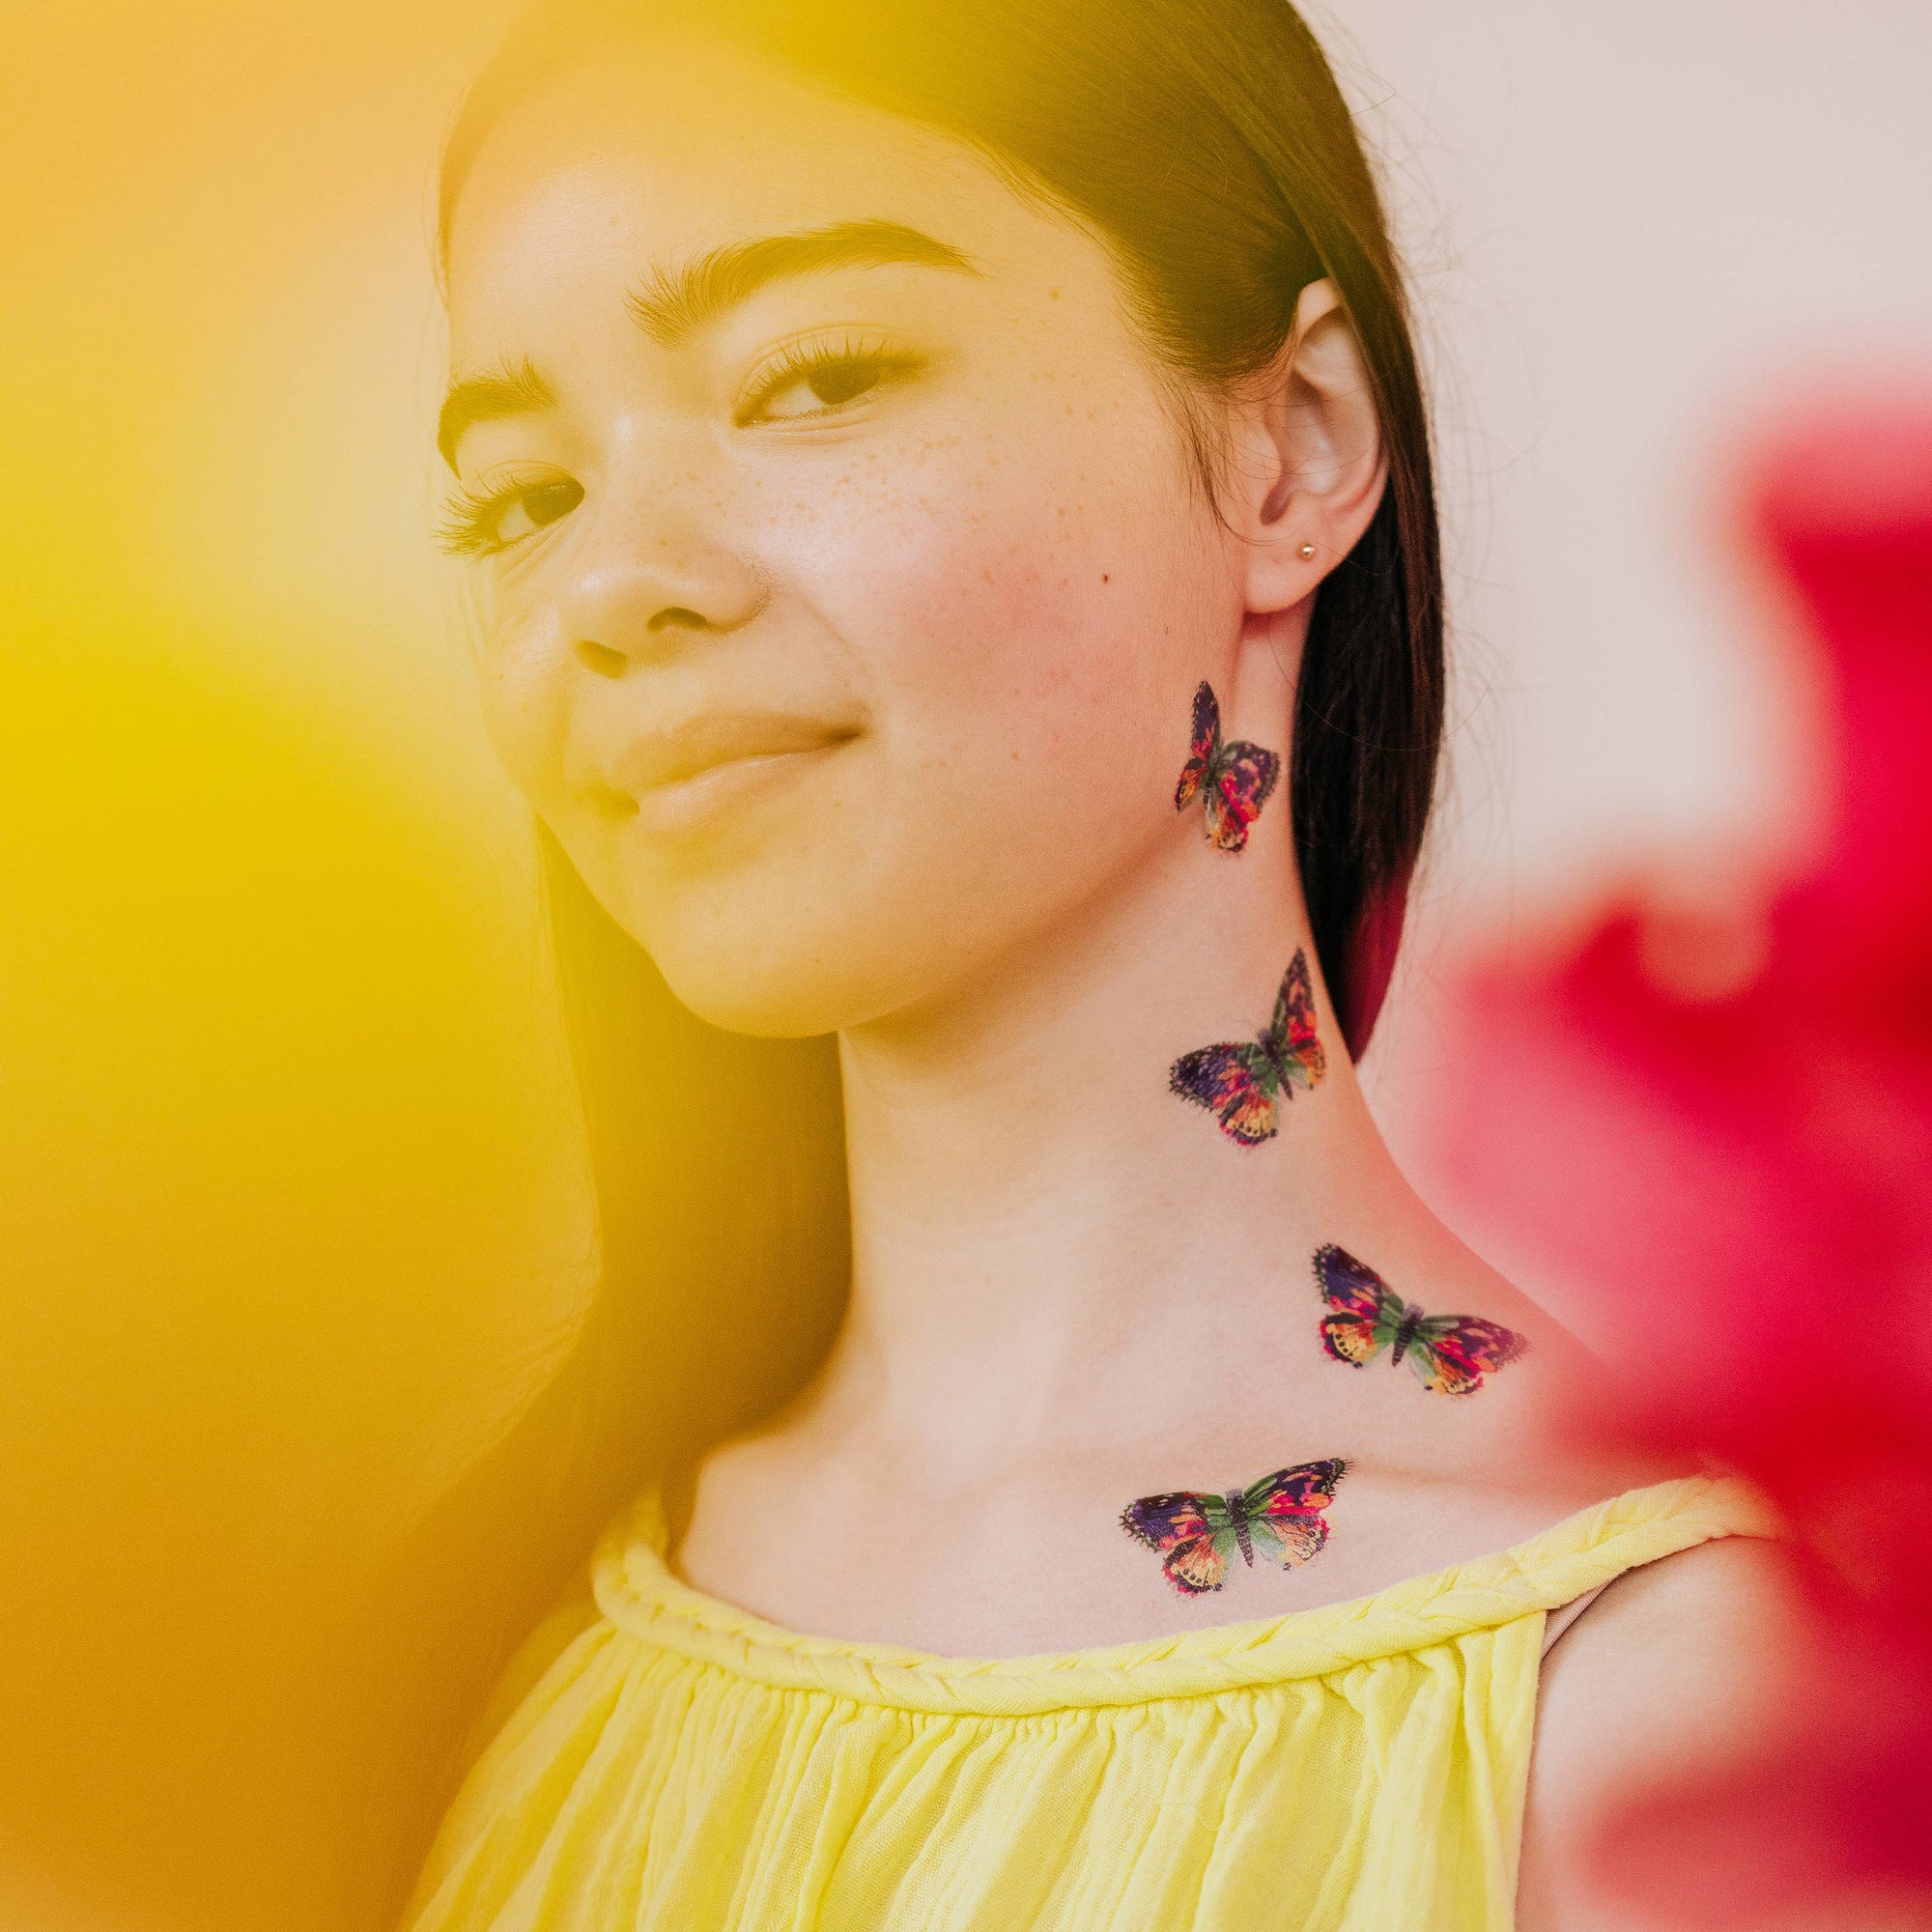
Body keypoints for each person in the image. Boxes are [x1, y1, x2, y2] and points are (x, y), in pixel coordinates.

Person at [402, 1, 1800, 1924]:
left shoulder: (1659, 1715)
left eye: (811, 377)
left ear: (1292, 449)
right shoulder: (484, 1630)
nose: (603, 587)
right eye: (525, 496)